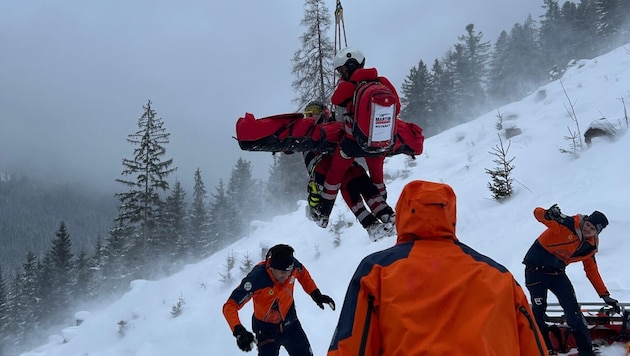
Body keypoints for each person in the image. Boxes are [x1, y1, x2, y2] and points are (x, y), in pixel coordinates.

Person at [328, 180, 546, 356]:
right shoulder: (498, 275)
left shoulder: (376, 270)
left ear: (403, 214)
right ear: (451, 215)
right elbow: (533, 346)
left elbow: (349, 346)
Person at [316, 47, 401, 228]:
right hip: (381, 142)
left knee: (335, 173)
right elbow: (397, 107)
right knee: (377, 176)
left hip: (353, 143)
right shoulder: (382, 82)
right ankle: (383, 206)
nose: (341, 73)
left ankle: (323, 211)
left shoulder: (347, 86)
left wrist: (345, 83)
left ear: (350, 65)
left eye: (342, 70)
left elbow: (336, 100)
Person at [523, 204, 618, 356]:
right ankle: (544, 350)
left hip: (557, 273)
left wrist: (604, 295)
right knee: (538, 311)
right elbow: (537, 214)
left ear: (597, 232)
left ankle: (586, 352)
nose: (587, 229)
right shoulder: (565, 223)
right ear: (585, 220)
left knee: (573, 311)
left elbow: (591, 270)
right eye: (587, 225)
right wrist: (547, 214)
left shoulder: (589, 247)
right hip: (535, 271)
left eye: (592, 229)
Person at [302, 101, 395, 241]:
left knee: (365, 184)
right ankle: (372, 225)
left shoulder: (333, 127)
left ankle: (387, 215)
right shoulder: (308, 135)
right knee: (351, 189)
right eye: (308, 114)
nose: (310, 116)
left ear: (323, 113)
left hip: (347, 164)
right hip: (331, 170)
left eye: (313, 113)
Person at [222, 244, 335, 355]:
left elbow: (302, 273)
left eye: (289, 273)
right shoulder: (257, 279)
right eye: (282, 273)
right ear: (271, 268)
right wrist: (239, 331)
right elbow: (230, 306)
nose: (286, 277)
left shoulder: (291, 266)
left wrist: (315, 293)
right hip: (266, 331)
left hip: (291, 324)